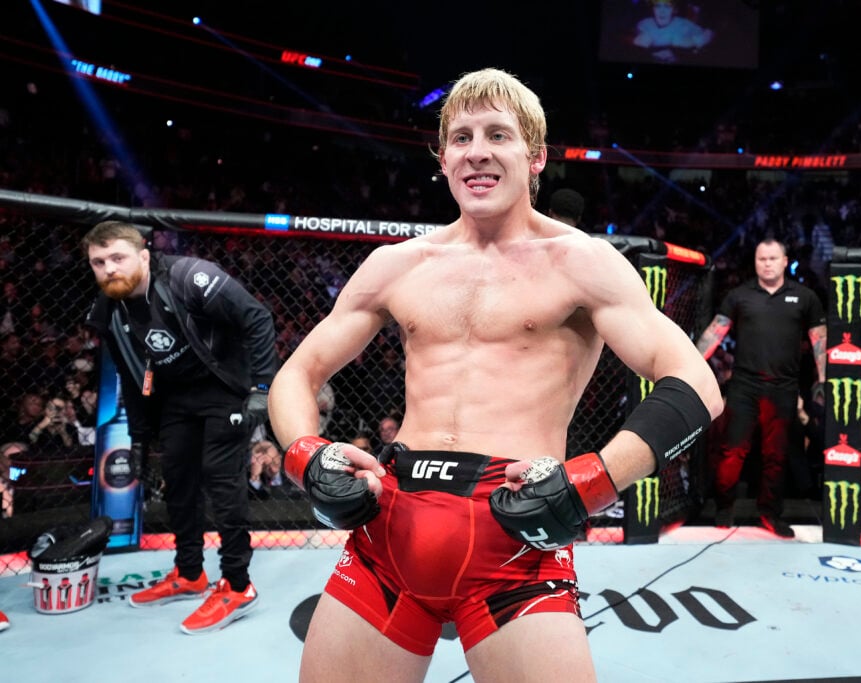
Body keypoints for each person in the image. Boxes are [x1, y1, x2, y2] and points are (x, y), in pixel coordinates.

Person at [268, 67, 722, 682]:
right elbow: (297, 374)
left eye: (497, 135)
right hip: (390, 534)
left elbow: (696, 384)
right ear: (442, 157)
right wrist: (306, 456)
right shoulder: (397, 265)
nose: (477, 152)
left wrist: (592, 484)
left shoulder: (583, 262)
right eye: (460, 137)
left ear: (534, 157)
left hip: (516, 537)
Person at [82, 221, 278, 635]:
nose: (109, 269)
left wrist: (262, 389)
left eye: (118, 257)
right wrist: (138, 437)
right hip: (174, 398)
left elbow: (256, 318)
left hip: (223, 387)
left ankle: (238, 585)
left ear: (143, 257)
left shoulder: (190, 277)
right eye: (99, 262)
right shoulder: (108, 311)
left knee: (222, 481)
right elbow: (131, 375)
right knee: (179, 482)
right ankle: (190, 572)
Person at [696, 238, 826, 538]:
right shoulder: (739, 296)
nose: (766, 263)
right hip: (744, 385)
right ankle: (724, 507)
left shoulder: (804, 297)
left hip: (783, 387)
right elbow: (715, 332)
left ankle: (770, 513)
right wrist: (690, 363)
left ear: (784, 261)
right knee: (732, 451)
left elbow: (819, 339)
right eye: (761, 258)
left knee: (776, 455)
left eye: (772, 258)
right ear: (755, 262)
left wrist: (823, 378)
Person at [633, 0, 713, 64]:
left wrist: (694, 42)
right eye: (657, 6)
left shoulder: (684, 24)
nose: (662, 11)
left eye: (667, 7)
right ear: (653, 9)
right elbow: (639, 42)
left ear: (674, 10)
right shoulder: (644, 24)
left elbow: (709, 33)